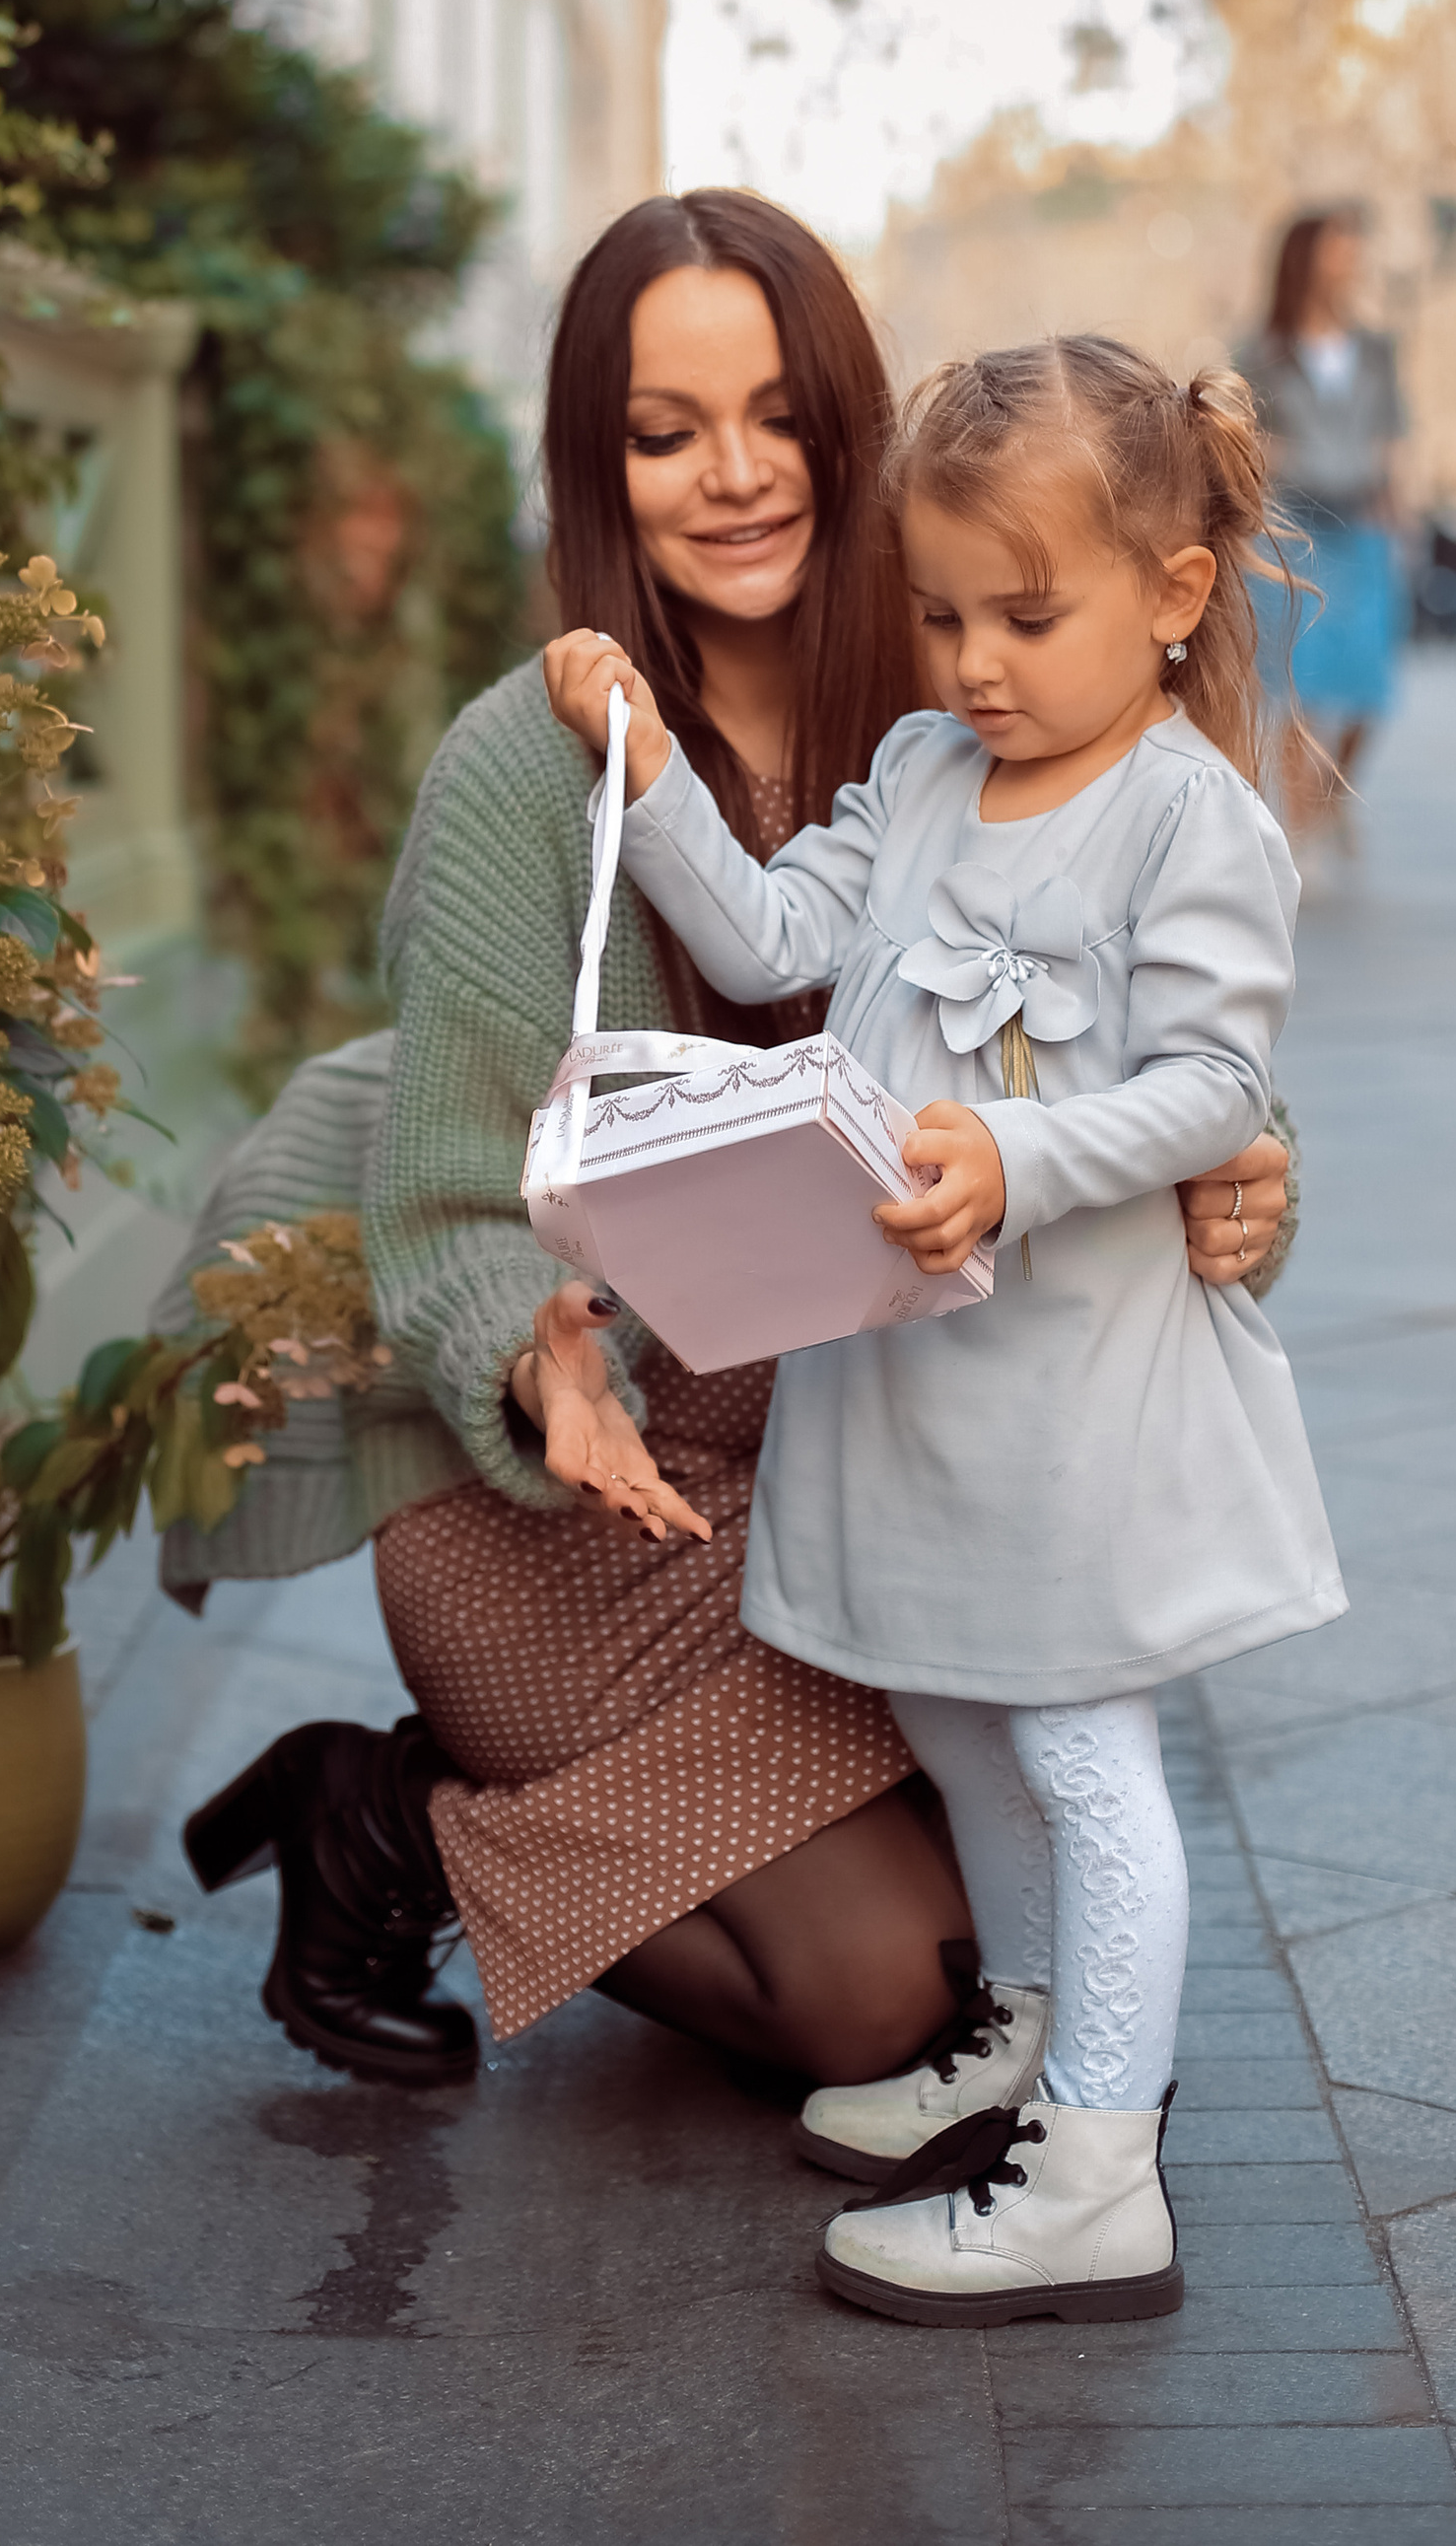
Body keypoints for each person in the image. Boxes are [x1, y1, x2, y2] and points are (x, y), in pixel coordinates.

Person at [181, 193, 1295, 2107]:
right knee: (881, 1995)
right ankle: (389, 1816)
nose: (731, 475)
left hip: (864, 1461)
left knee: (1014, 1909)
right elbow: (445, 1179)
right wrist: (532, 1344)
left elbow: (1161, 1046)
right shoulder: (531, 759)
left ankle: (468, 1826)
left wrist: (1246, 1186)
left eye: (776, 414)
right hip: (575, 1505)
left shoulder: (967, 702)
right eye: (661, 428)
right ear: (592, 461)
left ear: (854, 430)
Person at [545, 334, 1341, 2330]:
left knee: (1080, 1738)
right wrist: (640, 774)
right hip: (914, 1378)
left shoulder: (1185, 823)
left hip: (1077, 1395)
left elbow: (1208, 1093)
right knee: (955, 1702)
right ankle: (1027, 2028)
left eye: (1026, 613)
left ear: (1169, 597)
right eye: (939, 613)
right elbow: (757, 941)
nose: (974, 662)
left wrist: (1009, 1145)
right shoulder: (913, 777)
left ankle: (1097, 2160)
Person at [1233, 210, 1407, 861]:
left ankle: (1335, 794)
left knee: (1369, 682)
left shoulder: (1377, 349)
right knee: (1299, 684)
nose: (1351, 262)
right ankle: (1300, 834)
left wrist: (1398, 514)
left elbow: (1392, 438)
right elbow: (1241, 434)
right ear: (1304, 259)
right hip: (1292, 522)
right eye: (1338, 250)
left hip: (1364, 518)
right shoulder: (1260, 352)